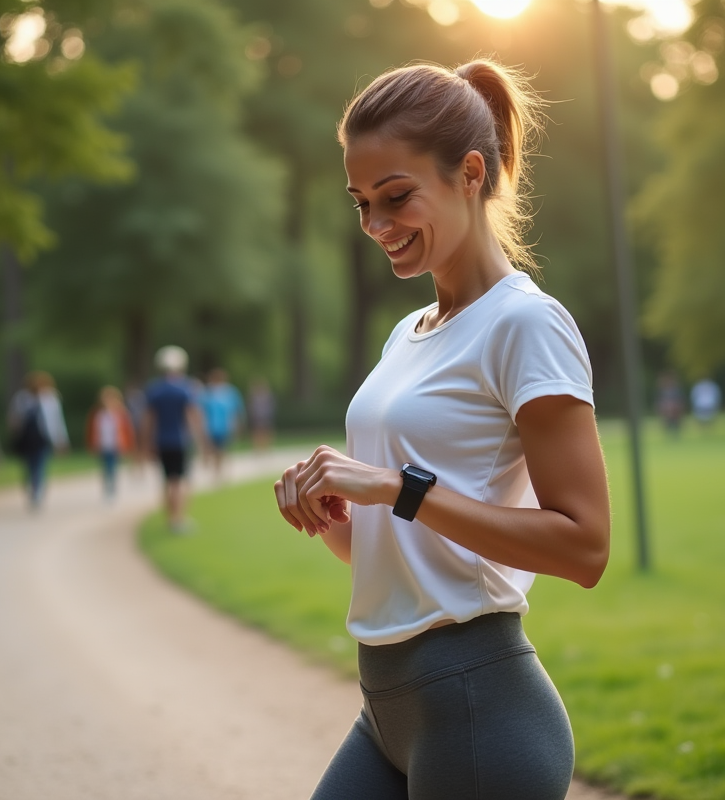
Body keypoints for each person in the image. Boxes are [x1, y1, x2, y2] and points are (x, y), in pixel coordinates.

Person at [275, 60, 611, 800]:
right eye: (361, 204)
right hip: (386, 706)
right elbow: (400, 550)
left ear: (468, 172)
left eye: (396, 198)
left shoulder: (526, 325)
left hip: (477, 709)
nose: (376, 227)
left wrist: (397, 487)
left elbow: (585, 547)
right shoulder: (410, 334)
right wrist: (325, 511)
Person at [144, 346, 205, 533]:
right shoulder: (184, 389)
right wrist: (202, 442)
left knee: (166, 480)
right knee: (178, 481)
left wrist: (145, 445)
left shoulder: (155, 390)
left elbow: (148, 421)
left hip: (161, 442)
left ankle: (170, 518)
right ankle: (178, 520)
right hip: (179, 441)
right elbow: (192, 417)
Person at [7, 371, 70, 510]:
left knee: (40, 464)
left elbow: (57, 420)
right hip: (26, 438)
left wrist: (61, 439)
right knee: (28, 465)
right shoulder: (22, 398)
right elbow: (14, 417)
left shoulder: (51, 398)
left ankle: (37, 490)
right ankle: (31, 486)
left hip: (43, 437)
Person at [85, 386, 136, 501]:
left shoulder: (121, 413)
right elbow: (91, 430)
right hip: (102, 445)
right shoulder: (97, 413)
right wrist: (92, 445)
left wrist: (128, 445)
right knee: (105, 468)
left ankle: (112, 489)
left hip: (115, 445)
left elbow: (128, 430)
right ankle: (107, 488)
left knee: (112, 467)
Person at [200, 368, 245, 480]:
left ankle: (221, 471)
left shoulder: (230, 392)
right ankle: (216, 470)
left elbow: (236, 410)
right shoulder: (208, 393)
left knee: (223, 449)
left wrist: (238, 424)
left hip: (225, 427)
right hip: (211, 427)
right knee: (214, 450)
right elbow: (202, 410)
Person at [248, 377, 276, 451]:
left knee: (266, 431)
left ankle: (266, 447)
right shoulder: (254, 397)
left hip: (265, 416)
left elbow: (271, 406)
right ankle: (258, 447)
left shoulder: (267, 396)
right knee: (257, 432)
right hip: (257, 417)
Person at [655, 371, 684, 437]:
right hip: (666, 410)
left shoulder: (676, 390)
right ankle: (669, 435)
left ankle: (676, 435)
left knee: (676, 423)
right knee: (667, 423)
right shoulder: (662, 391)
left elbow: (680, 400)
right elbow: (659, 401)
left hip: (675, 409)